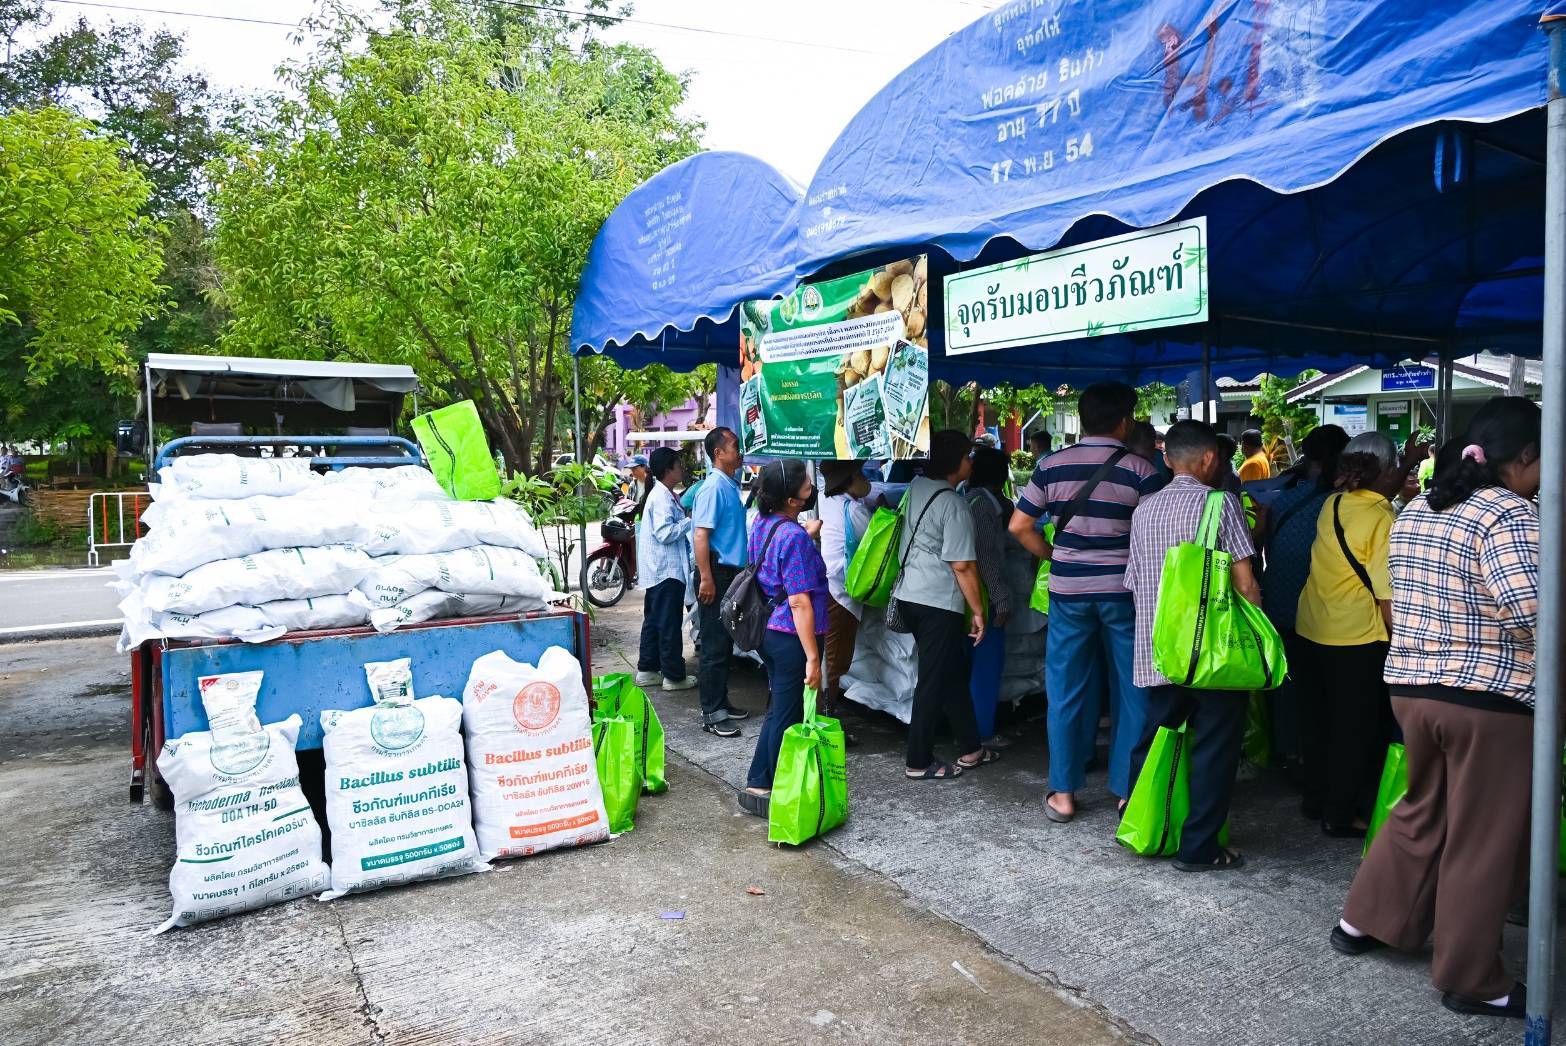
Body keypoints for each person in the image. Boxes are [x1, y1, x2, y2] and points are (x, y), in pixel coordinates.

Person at [1332, 397, 1541, 1021]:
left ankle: (1363, 920)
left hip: (1413, 689)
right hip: (1489, 699)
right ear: (1526, 456)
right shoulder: (1510, 515)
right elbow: (1531, 612)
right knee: (1483, 838)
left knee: (1422, 806)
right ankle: (1473, 979)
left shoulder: (1421, 506)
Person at [1009, 382, 1164, 821]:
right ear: (1123, 421)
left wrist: (1056, 554)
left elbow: (1020, 526)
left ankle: (1063, 792)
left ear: (1081, 417)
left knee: (1066, 688)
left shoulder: (1051, 466)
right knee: (1133, 687)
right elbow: (1153, 535)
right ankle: (1128, 791)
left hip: (1069, 591)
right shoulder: (1142, 468)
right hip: (1124, 591)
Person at [1124, 420, 1260, 870]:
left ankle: (1143, 825)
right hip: (1211, 654)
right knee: (1215, 747)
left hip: (1158, 648)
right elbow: (1245, 586)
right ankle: (1198, 848)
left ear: (1166, 459)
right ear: (1209, 459)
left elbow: (1135, 582)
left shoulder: (1144, 509)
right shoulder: (1222, 505)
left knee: (1157, 740)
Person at [1294, 431, 1412, 836]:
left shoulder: (1334, 503)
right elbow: (1387, 595)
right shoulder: (1381, 517)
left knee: (1318, 722)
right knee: (1355, 730)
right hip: (1356, 639)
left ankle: (1315, 800)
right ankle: (1341, 815)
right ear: (1386, 468)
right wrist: (1404, 645)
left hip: (1312, 626)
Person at [898, 430, 996, 780]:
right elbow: (963, 565)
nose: (971, 462)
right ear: (955, 461)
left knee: (951, 674)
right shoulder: (954, 504)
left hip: (910, 594)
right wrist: (979, 611)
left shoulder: (918, 487)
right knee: (933, 681)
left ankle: (971, 748)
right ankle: (918, 760)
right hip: (937, 602)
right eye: (968, 456)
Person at [738, 460, 830, 815]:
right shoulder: (792, 535)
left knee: (779, 708)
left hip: (769, 633)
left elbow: (778, 556)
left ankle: (759, 780)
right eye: (807, 486)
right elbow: (799, 601)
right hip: (792, 636)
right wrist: (813, 657)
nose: (812, 489)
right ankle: (781, 791)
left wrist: (806, 533)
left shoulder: (765, 522)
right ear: (792, 500)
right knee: (788, 715)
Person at [1258, 425, 1350, 775]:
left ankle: (1286, 751)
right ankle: (1317, 755)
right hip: (1324, 607)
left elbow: (1269, 548)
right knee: (1322, 686)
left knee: (1286, 681)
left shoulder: (1282, 499)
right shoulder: (1338, 502)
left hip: (1280, 599)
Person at [691, 427, 749, 737]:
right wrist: (706, 578)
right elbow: (701, 534)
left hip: (729, 574)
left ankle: (721, 702)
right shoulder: (714, 487)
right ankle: (712, 714)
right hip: (717, 572)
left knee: (724, 644)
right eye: (735, 446)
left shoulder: (728, 484)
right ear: (719, 453)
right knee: (714, 646)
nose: (740, 451)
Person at [965, 447, 1017, 748]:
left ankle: (971, 729)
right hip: (983, 597)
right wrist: (1001, 599)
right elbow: (987, 557)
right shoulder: (983, 506)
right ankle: (982, 732)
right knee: (985, 668)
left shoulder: (963, 497)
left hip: (967, 595)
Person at [633, 448, 696, 693]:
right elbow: (664, 533)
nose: (682, 468)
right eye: (679, 464)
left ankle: (648, 669)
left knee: (655, 621)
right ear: (668, 469)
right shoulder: (660, 497)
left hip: (660, 570)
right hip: (665, 570)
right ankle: (673, 675)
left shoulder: (664, 494)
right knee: (668, 623)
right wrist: (689, 520)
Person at [818, 459, 874, 729]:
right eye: (861, 474)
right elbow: (875, 544)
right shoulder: (853, 510)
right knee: (833, 662)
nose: (866, 480)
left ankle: (824, 715)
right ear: (848, 479)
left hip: (825, 586)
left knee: (827, 659)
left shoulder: (825, 501)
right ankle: (825, 721)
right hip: (839, 593)